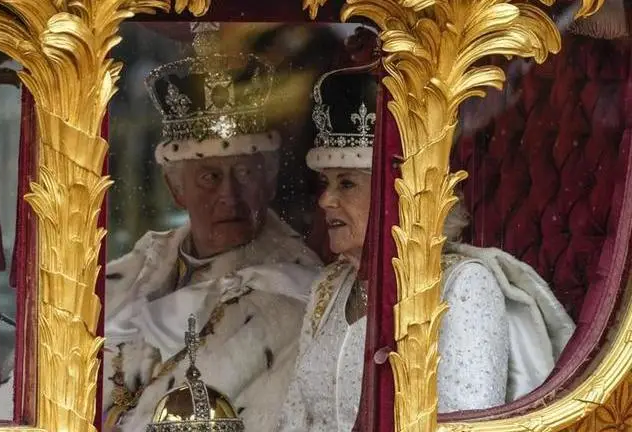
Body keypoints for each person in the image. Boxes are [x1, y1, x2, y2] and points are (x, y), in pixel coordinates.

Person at [276, 59, 576, 431]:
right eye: (326, 183)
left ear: (397, 192)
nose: (325, 200)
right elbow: (292, 419)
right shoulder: (328, 287)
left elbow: (465, 424)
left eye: (347, 184)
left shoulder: (463, 286)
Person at [103, 23, 322, 431]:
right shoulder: (136, 270)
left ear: (270, 182)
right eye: (209, 178)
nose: (230, 196)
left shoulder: (298, 297)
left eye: (244, 173)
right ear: (174, 188)